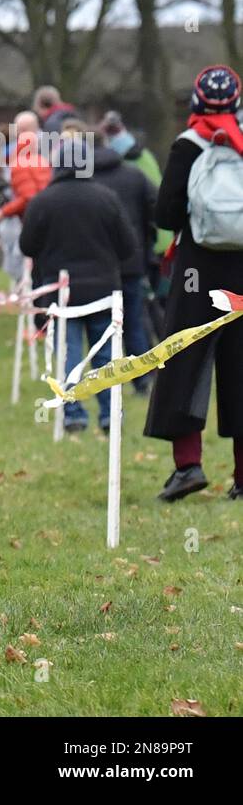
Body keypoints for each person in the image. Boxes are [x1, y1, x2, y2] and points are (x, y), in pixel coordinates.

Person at [144, 66, 243, 503]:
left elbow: (165, 215)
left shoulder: (188, 145)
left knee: (184, 362)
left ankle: (188, 467)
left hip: (196, 272)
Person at [20, 126, 135, 435]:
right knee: (105, 356)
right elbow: (128, 247)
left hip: (62, 291)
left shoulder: (42, 202)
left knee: (69, 353)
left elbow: (27, 246)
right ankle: (110, 414)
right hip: (103, 289)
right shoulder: (107, 198)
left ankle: (73, 414)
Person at [89, 122, 158, 392]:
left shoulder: (87, 181)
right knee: (134, 321)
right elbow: (157, 206)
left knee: (100, 324)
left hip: (98, 264)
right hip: (133, 259)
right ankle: (142, 380)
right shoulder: (135, 175)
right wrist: (147, 238)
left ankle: (106, 380)